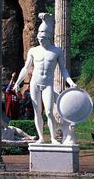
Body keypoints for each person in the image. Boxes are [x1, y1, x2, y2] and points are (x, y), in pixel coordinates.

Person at [14, 13, 76, 144]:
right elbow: (26, 68)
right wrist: (17, 82)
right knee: (37, 111)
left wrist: (70, 82)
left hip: (48, 83)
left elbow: (63, 69)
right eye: (39, 37)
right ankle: (41, 137)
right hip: (35, 83)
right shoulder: (33, 50)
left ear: (49, 37)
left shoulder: (56, 51)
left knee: (48, 111)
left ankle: (53, 138)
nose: (40, 40)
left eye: (43, 38)